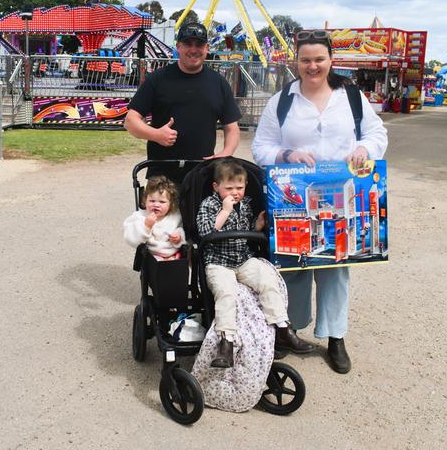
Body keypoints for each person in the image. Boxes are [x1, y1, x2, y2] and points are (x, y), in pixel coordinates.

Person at [251, 29, 388, 374]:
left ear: (331, 60)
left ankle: (335, 336)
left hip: (343, 195)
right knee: (294, 264)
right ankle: (291, 330)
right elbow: (260, 147)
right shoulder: (282, 101)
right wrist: (286, 153)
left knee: (335, 268)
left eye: (319, 59)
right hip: (294, 196)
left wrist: (364, 149)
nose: (313, 66)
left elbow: (376, 133)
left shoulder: (352, 97)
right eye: (306, 60)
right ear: (296, 62)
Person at [197, 159, 313, 368]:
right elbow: (206, 231)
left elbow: (246, 233)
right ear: (216, 187)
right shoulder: (210, 204)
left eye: (239, 187)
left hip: (243, 258)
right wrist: (225, 211)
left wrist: (256, 226)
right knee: (226, 293)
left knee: (268, 279)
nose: (235, 192)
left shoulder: (247, 203)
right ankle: (227, 342)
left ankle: (282, 328)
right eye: (229, 188)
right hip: (218, 261)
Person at [124, 22, 242, 183]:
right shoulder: (157, 79)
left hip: (202, 173)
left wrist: (225, 153)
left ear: (207, 48)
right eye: (187, 44)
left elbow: (232, 128)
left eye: (199, 44)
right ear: (178, 47)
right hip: (161, 175)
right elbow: (130, 121)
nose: (193, 50)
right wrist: (156, 135)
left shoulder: (219, 83)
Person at [123, 176, 185, 261]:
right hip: (151, 256)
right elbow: (131, 239)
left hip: (173, 254)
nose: (156, 205)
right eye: (152, 201)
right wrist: (146, 226)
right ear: (145, 201)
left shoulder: (175, 217)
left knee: (183, 261)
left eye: (162, 202)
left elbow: (182, 229)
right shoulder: (140, 216)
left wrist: (178, 238)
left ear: (171, 204)